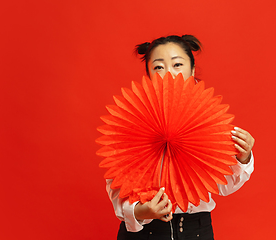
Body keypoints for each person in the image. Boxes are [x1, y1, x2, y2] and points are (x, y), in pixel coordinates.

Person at [105, 35, 255, 240]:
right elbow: (117, 183)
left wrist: (243, 157)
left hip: (196, 232)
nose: (168, 73)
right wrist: (139, 212)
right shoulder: (132, 119)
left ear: (192, 70)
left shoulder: (209, 121)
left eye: (177, 64)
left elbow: (224, 185)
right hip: (143, 233)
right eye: (158, 67)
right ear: (148, 74)